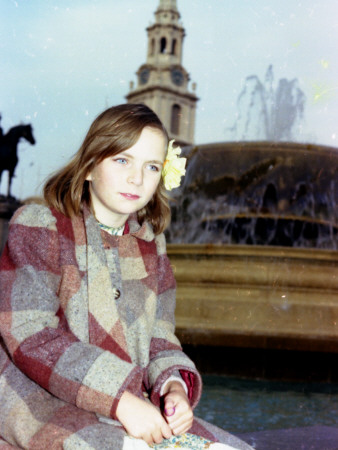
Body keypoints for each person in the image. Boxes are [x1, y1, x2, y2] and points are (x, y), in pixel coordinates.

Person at [0, 104, 252, 450]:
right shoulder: (41, 226)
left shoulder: (152, 246)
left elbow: (160, 339)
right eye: (122, 160)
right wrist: (121, 400)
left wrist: (171, 385)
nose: (137, 178)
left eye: (151, 166)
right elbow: (30, 335)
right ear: (89, 167)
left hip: (130, 407)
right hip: (42, 400)